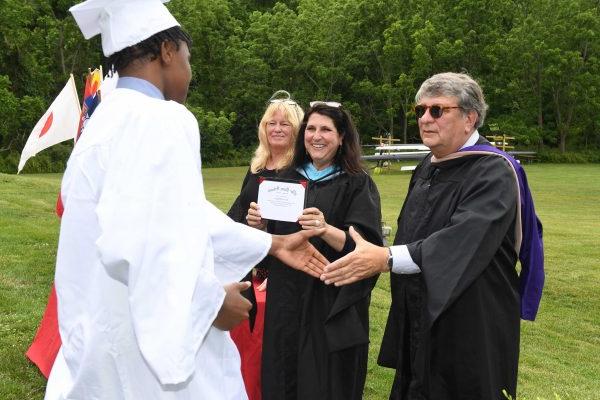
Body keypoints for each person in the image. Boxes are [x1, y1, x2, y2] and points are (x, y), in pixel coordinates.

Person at [44, 1, 327, 399]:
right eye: (189, 59)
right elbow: (146, 240)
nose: (190, 73)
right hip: (148, 350)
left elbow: (179, 215)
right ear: (167, 52)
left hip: (102, 329)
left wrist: (272, 243)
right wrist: (210, 303)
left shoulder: (103, 121)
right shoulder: (164, 119)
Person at [321, 72, 544, 400]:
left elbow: (461, 241)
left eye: (437, 110)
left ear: (469, 118)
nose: (425, 118)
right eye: (420, 110)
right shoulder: (429, 165)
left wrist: (386, 257)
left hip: (470, 320)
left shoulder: (494, 171)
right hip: (420, 311)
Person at [252, 102, 383, 399]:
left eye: (326, 129)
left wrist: (325, 229)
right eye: (311, 129)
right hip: (286, 299)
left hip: (331, 301)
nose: (316, 136)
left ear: (341, 138)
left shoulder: (357, 183)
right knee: (283, 375)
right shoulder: (283, 180)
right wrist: (258, 226)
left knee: (325, 382)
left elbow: (368, 250)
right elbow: (270, 245)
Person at [227, 90, 304, 400]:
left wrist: (267, 227)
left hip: (284, 269)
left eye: (285, 124)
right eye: (271, 122)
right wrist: (247, 223)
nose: (277, 128)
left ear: (296, 130)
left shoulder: (300, 169)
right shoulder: (257, 165)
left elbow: (299, 223)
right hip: (250, 264)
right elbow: (237, 212)